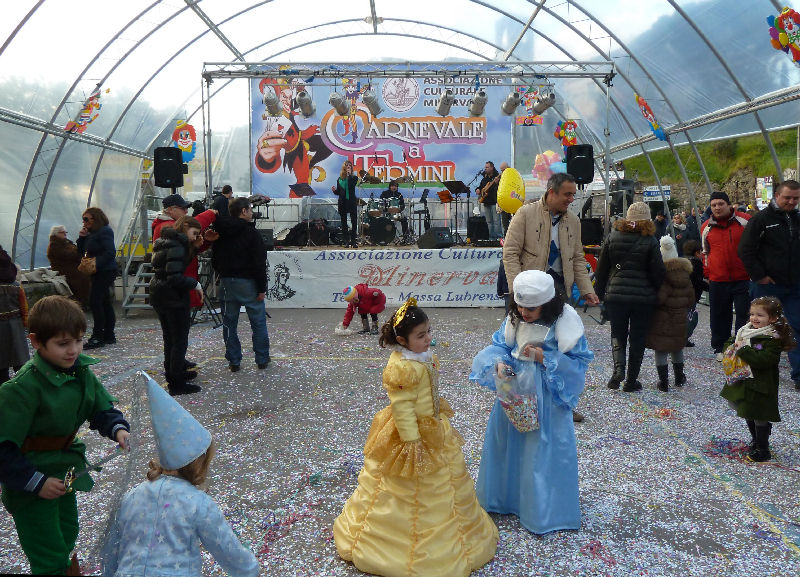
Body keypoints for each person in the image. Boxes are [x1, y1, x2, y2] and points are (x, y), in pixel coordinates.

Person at [334, 298, 498, 577]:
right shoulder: (402, 368)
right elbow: (402, 408)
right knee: (403, 485)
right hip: (411, 435)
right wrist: (411, 441)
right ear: (402, 339)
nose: (428, 339)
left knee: (445, 484)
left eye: (429, 332)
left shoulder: (423, 357)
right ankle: (390, 545)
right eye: (421, 335)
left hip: (433, 427)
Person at [0, 296, 130, 575]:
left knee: (68, 534)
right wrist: (36, 483)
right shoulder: (20, 389)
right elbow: (2, 449)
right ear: (35, 342)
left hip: (64, 471)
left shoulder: (79, 371)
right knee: (48, 553)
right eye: (63, 344)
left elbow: (100, 407)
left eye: (79, 340)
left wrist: (116, 427)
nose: (73, 350)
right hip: (30, 481)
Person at [470, 270, 593, 534]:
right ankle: (505, 498)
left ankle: (542, 509)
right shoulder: (514, 318)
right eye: (520, 304)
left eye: (531, 307)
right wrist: (499, 363)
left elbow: (578, 362)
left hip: (546, 393)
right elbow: (500, 345)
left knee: (541, 446)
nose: (523, 311)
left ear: (547, 304)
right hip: (514, 388)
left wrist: (544, 359)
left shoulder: (564, 323)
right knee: (507, 441)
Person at [102, 374, 258, 576]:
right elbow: (230, 553)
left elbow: (112, 551)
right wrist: (250, 570)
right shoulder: (197, 502)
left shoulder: (132, 496)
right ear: (199, 464)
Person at [503, 172, 599, 422]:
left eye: (573, 195)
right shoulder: (524, 214)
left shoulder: (573, 222)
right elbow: (510, 253)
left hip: (558, 291)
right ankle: (515, 401)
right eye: (567, 194)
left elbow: (578, 258)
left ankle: (564, 401)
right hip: (528, 291)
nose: (571, 199)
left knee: (560, 347)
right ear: (551, 192)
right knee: (519, 347)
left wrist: (587, 289)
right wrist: (519, 292)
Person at [594, 202, 665, 391]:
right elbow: (658, 272)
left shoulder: (613, 236)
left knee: (617, 333)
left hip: (616, 296)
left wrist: (600, 294)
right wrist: (659, 293)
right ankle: (631, 380)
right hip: (643, 298)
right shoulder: (650, 240)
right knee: (638, 337)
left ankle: (618, 371)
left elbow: (602, 269)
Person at [738, 179, 800, 389]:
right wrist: (759, 276)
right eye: (787, 198)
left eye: (796, 198)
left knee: (796, 327)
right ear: (776, 196)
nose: (791, 202)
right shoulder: (762, 220)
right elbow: (745, 250)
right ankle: (753, 367)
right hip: (767, 284)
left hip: (793, 284)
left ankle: (798, 375)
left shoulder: (797, 219)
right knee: (759, 326)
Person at [719, 297, 796, 462]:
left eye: (760, 315)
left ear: (773, 318)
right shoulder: (745, 330)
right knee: (742, 406)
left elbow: (764, 360)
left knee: (758, 413)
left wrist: (744, 350)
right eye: (752, 314)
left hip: (761, 383)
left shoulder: (772, 338)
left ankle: (762, 448)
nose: (754, 318)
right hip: (743, 379)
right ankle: (757, 436)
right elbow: (730, 342)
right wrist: (730, 348)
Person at [210, 197, 270, 372]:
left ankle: (234, 360)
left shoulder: (221, 232)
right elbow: (259, 263)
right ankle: (262, 358)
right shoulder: (252, 233)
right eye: (250, 209)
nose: (252, 212)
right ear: (243, 211)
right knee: (258, 322)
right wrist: (261, 288)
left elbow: (215, 259)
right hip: (248, 281)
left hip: (227, 281)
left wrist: (224, 273)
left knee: (229, 323)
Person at [150, 216, 204, 396]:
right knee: (179, 340)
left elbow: (172, 267)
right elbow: (175, 276)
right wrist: (194, 284)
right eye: (194, 233)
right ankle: (176, 383)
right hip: (172, 297)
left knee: (170, 339)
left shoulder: (165, 241)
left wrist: (194, 249)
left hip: (160, 294)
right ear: (186, 226)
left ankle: (175, 373)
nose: (194, 237)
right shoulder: (178, 245)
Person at [700, 191, 751, 361]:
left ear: (729, 205)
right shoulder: (706, 227)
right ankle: (720, 347)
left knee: (744, 315)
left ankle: (741, 348)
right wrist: (707, 274)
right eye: (713, 205)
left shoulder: (744, 221)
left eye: (720, 204)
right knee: (719, 315)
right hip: (718, 278)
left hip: (743, 277)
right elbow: (705, 252)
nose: (717, 207)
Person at [151, 193, 217, 311]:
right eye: (183, 208)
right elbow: (193, 224)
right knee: (178, 327)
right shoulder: (167, 227)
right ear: (170, 210)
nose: (186, 211)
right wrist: (210, 214)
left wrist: (204, 241)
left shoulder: (166, 227)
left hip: (175, 289)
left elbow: (184, 251)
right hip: (176, 291)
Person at [645, 236, 695, 391]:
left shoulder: (663, 277)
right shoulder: (686, 276)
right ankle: (679, 376)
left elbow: (660, 299)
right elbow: (691, 299)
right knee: (677, 347)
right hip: (680, 318)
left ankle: (664, 381)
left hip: (663, 318)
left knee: (661, 348)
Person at [76, 207, 117, 349]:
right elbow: (82, 252)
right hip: (98, 271)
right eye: (83, 219)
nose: (84, 222)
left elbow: (110, 252)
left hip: (105, 271)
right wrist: (82, 238)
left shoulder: (104, 231)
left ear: (95, 218)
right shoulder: (92, 233)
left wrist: (95, 264)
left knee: (96, 302)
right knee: (104, 302)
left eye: (86, 219)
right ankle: (109, 335)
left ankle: (98, 336)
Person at [0, 246, 29, 382]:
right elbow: (24, 308)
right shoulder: (16, 286)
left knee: (1, 366)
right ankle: (24, 388)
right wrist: (25, 323)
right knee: (20, 362)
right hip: (15, 325)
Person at [46, 225, 91, 306]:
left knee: (88, 274)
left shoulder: (65, 242)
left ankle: (87, 301)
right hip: (64, 269)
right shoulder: (54, 245)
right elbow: (68, 255)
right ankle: (83, 302)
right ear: (56, 234)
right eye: (62, 232)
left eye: (65, 232)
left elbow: (75, 252)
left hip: (73, 267)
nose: (65, 234)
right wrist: (78, 252)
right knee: (81, 277)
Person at [683, 239, 709, 347]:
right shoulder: (697, 263)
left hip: (682, 295)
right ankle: (683, 338)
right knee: (691, 318)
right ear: (697, 252)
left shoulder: (684, 261)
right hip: (692, 295)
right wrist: (708, 287)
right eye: (701, 252)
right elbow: (697, 281)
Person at [332, 160, 360, 248]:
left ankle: (354, 240)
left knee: (354, 221)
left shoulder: (354, 178)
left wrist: (349, 176)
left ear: (351, 168)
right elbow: (339, 192)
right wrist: (334, 191)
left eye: (350, 166)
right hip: (343, 202)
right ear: (344, 168)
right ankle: (346, 241)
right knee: (343, 223)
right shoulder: (339, 180)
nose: (348, 167)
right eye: (347, 166)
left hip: (351, 201)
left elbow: (350, 186)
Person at [477, 161, 502, 240]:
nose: (486, 169)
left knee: (496, 221)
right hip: (486, 202)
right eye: (485, 167)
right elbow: (481, 187)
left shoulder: (497, 177)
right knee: (489, 222)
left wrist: (497, 183)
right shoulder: (485, 178)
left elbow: (501, 188)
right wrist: (478, 189)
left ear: (492, 168)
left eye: (487, 167)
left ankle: (499, 237)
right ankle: (491, 238)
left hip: (494, 202)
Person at [497, 162, 513, 236]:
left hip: (512, 202)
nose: (502, 172)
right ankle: (506, 238)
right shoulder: (500, 178)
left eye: (504, 170)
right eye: (501, 170)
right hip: (504, 203)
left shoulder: (513, 176)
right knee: (505, 223)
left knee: (514, 222)